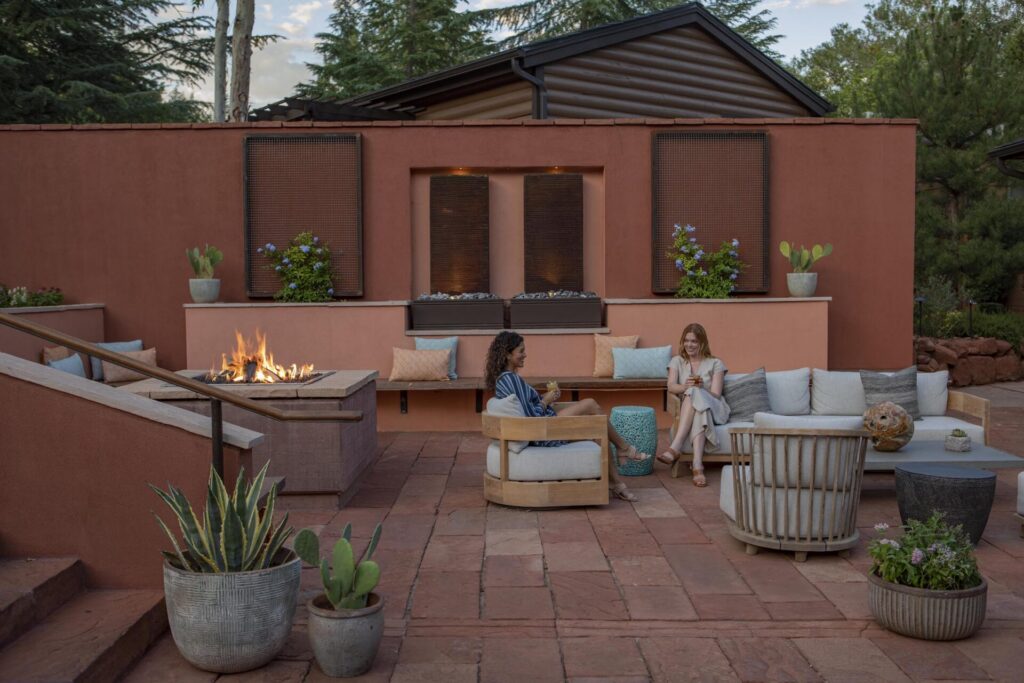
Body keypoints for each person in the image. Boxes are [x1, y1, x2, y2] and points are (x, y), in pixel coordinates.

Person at [484, 331, 651, 502]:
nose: (525, 354)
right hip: (542, 431)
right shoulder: (510, 379)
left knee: (598, 426)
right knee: (591, 404)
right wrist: (546, 400)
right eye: (521, 351)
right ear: (507, 354)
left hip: (543, 425)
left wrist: (546, 397)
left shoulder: (506, 379)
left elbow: (528, 406)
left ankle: (617, 481)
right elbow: (531, 417)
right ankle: (624, 451)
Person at [656, 323, 730, 487]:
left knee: (695, 392)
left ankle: (675, 447)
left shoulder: (715, 363)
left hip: (715, 408)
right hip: (695, 409)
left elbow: (716, 394)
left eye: (694, 341)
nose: (689, 345)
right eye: (686, 340)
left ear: (702, 343)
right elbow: (671, 386)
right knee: (697, 406)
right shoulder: (677, 361)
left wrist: (702, 388)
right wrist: (685, 387)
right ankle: (697, 466)